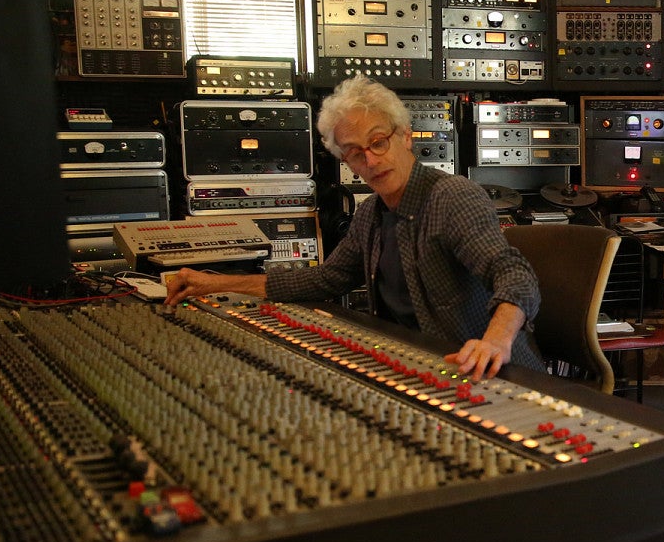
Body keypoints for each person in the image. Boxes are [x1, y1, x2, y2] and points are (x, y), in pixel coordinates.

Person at [164, 75, 542, 379]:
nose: (371, 159)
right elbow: (323, 280)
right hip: (418, 368)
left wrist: (494, 341)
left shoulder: (451, 197)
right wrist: (217, 283)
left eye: (378, 142)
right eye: (355, 152)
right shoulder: (371, 214)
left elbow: (514, 274)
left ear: (406, 136)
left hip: (488, 372)